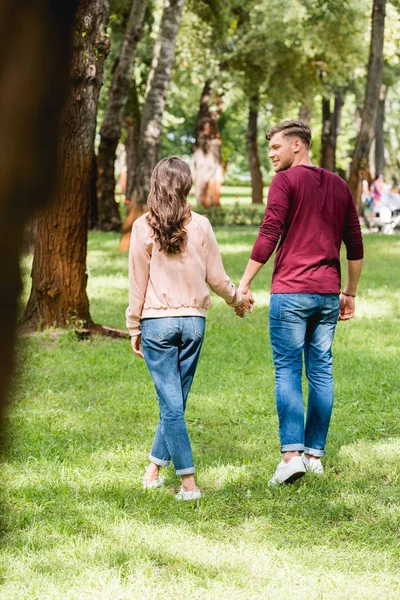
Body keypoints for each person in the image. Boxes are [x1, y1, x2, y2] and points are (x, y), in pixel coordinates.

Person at [236, 120, 363, 485]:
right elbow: (354, 244)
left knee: (288, 370)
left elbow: (269, 231)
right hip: (326, 294)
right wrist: (349, 292)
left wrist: (244, 283)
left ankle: (291, 456)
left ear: (297, 145)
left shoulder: (285, 181)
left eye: (275, 147)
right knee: (321, 370)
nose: (271, 155)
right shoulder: (339, 185)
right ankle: (314, 455)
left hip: (291, 292)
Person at [126, 156, 253, 501]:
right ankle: (153, 469)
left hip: (157, 323)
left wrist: (133, 325)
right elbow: (217, 278)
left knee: (171, 404)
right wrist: (237, 298)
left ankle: (188, 484)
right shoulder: (201, 225)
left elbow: (138, 283)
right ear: (185, 185)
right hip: (194, 323)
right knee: (175, 403)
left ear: (156, 184)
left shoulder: (143, 227)